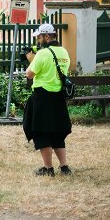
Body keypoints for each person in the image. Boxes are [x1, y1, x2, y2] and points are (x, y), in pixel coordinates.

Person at [23, 23, 72, 176]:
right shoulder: (64, 52)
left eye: (39, 36)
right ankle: (64, 167)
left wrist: (31, 59)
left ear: (47, 36)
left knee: (41, 133)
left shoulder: (42, 54)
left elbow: (29, 74)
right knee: (57, 132)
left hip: (42, 97)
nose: (38, 40)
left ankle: (48, 168)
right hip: (58, 96)